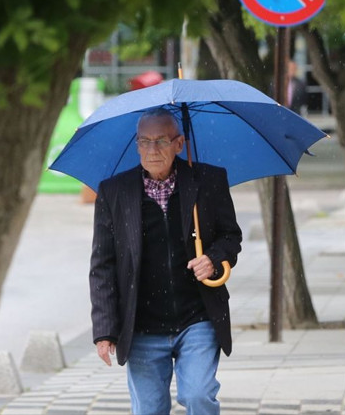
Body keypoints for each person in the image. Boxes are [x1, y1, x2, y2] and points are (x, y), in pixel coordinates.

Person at [89, 107, 243, 415]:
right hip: (142, 324)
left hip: (197, 318)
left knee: (198, 395)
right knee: (149, 409)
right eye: (144, 141)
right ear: (136, 145)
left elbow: (231, 237)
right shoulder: (114, 192)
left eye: (161, 141)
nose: (152, 150)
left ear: (179, 143)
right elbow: (103, 265)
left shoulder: (208, 181)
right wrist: (105, 330)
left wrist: (212, 259)